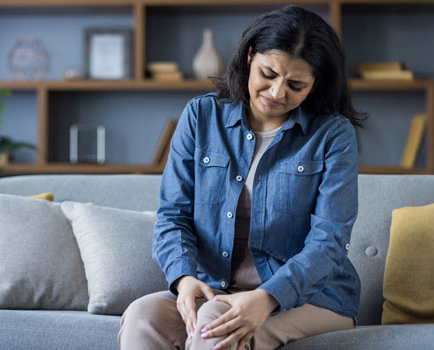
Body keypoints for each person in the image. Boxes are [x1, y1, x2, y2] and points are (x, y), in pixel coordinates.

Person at [119, 5, 367, 350]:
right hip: (217, 288)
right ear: (250, 56)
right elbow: (172, 216)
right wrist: (184, 278)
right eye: (268, 73)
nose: (278, 93)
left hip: (314, 297)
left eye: (296, 84)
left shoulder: (332, 135)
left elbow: (329, 241)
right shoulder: (201, 116)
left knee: (212, 326)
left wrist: (267, 297)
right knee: (142, 315)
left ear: (315, 84)